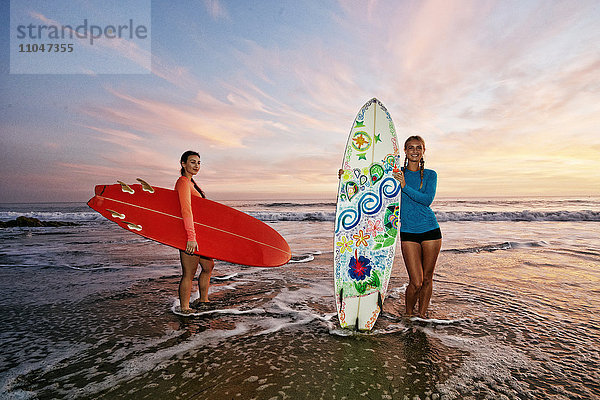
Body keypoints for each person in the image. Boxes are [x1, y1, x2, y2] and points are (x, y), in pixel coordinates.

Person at [392, 136, 442, 318]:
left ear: (423, 151)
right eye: (411, 147)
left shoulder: (430, 174)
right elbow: (371, 184)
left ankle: (422, 316)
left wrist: (404, 186)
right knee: (416, 281)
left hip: (430, 230)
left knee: (427, 279)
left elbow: (427, 200)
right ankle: (408, 315)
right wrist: (347, 175)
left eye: (418, 147)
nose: (415, 151)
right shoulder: (395, 174)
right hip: (408, 232)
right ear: (404, 151)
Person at [175, 150, 214, 314]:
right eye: (192, 162)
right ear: (183, 164)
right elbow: (186, 211)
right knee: (189, 274)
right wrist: (191, 238)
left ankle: (203, 300)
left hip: (199, 234)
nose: (196, 165)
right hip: (189, 235)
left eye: (198, 162)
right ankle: (184, 308)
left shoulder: (192, 184)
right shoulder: (183, 182)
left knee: (208, 266)